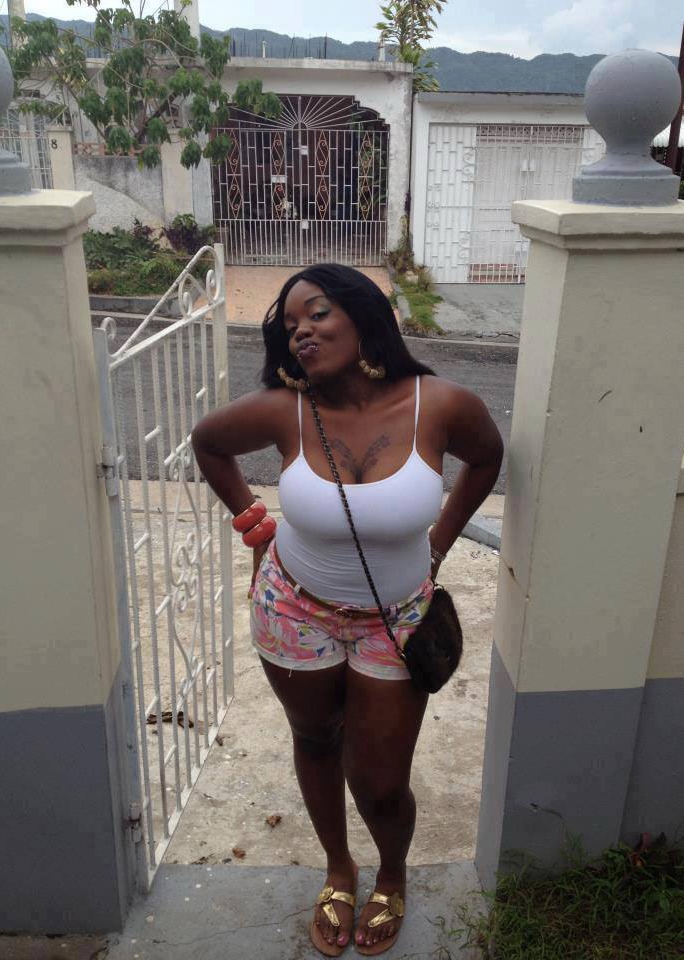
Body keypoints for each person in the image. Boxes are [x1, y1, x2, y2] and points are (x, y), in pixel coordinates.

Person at [191, 264, 503, 957]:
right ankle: (339, 868)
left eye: (318, 312)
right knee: (315, 737)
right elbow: (208, 441)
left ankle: (392, 872)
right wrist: (254, 525)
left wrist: (439, 545)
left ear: (363, 315)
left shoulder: (440, 405)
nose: (301, 331)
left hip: (398, 620)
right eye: (289, 325)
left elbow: (487, 459)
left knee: (381, 780)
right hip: (293, 609)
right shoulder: (285, 409)